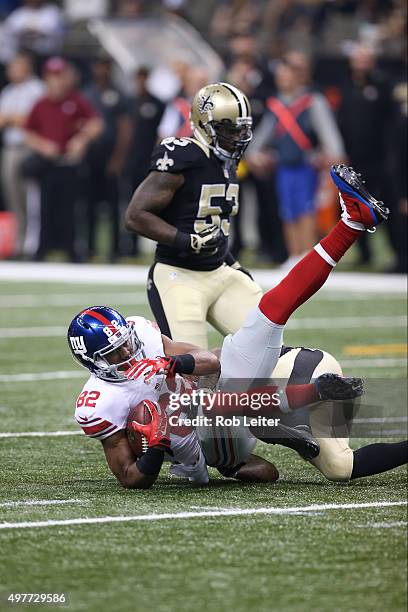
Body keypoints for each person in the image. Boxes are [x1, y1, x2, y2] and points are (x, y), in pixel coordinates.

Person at [69, 165, 406, 488]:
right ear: (94, 362)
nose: (129, 352)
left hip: (293, 376)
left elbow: (211, 363)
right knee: (339, 468)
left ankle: (351, 223)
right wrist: (155, 448)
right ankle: (296, 436)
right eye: (116, 353)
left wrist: (172, 363)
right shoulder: (100, 403)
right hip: (290, 392)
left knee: (263, 322)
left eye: (126, 343)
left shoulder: (142, 336)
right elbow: (130, 476)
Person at [125, 82, 263, 349]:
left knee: (266, 347)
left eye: (241, 129)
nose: (236, 138)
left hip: (220, 271)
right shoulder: (183, 156)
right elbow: (135, 215)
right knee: (193, 370)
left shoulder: (227, 162)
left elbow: (215, 224)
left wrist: (232, 263)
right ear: (204, 123)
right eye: (228, 129)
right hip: (180, 275)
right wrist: (186, 240)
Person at [247, 57, 345, 268]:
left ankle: (308, 256)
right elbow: (263, 136)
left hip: (306, 165)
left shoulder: (311, 101)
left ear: (297, 77)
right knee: (287, 210)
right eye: (280, 77)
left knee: (306, 210)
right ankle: (294, 254)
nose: (284, 80)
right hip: (284, 166)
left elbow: (328, 132)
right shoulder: (276, 104)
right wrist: (255, 153)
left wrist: (335, 153)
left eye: (287, 75)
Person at [23, 57, 103, 262]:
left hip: (69, 163)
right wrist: (43, 146)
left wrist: (81, 140)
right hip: (47, 164)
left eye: (60, 76)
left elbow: (95, 124)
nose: (57, 81)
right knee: (43, 208)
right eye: (53, 76)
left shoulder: (76, 101)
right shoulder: (41, 104)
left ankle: (72, 250)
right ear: (46, 78)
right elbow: (28, 132)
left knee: (70, 209)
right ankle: (41, 250)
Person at [83, 56, 132, 262]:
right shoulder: (87, 93)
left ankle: (115, 249)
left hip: (111, 153)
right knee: (89, 204)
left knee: (113, 206)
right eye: (98, 66)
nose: (101, 70)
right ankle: (90, 248)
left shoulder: (119, 94)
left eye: (104, 66)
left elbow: (125, 128)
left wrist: (118, 158)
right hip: (91, 155)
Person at [0, 52, 44, 257]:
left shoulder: (37, 89)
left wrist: (11, 118)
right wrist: (12, 118)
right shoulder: (8, 91)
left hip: (30, 148)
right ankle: (17, 242)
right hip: (10, 149)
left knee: (31, 198)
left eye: (16, 66)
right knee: (13, 196)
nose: (11, 71)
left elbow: (31, 122)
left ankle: (31, 243)